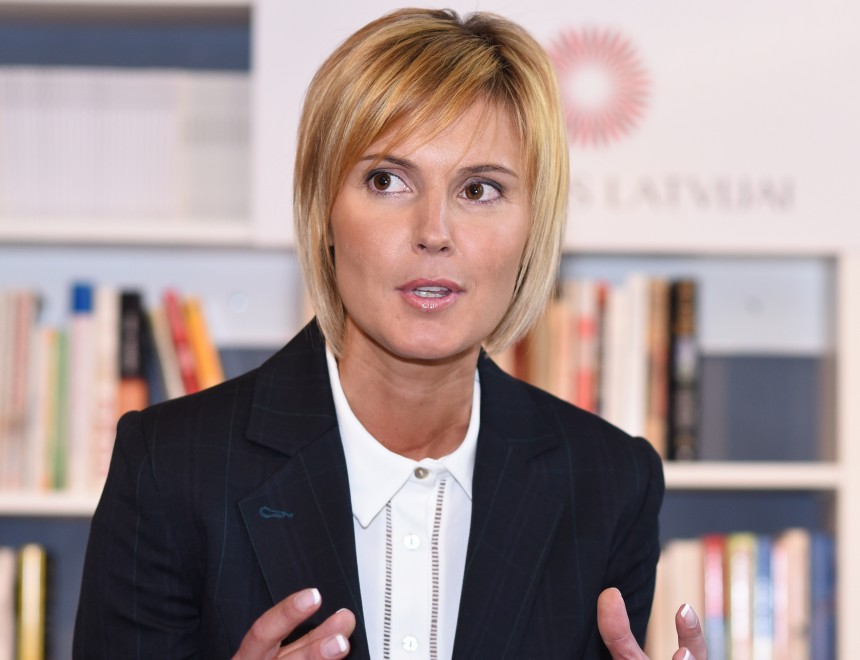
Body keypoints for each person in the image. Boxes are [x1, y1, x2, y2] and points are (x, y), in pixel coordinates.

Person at [73, 8, 707, 660]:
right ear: (322, 210)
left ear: (533, 229)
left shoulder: (609, 484)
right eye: (387, 180)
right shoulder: (170, 467)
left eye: (480, 189)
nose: (434, 232)